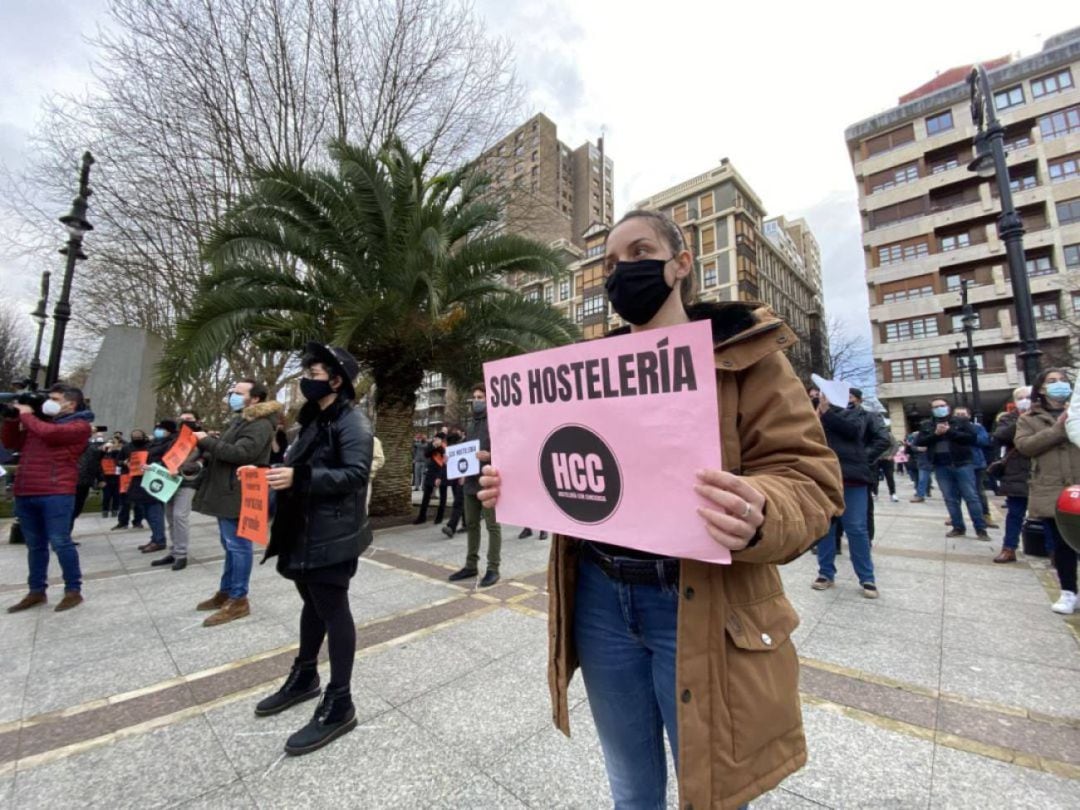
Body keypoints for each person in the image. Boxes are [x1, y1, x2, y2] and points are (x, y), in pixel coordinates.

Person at [477, 209, 843, 808]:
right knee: (629, 780)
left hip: (698, 600)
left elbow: (809, 478)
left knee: (713, 788)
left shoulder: (747, 357)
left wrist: (761, 510)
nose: (623, 271)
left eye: (639, 251)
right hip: (599, 600)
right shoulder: (586, 372)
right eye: (610, 264)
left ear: (680, 264)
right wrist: (510, 482)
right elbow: (566, 467)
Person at [256, 343, 373, 755]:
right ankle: (305, 675)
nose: (307, 376)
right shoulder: (313, 420)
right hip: (303, 531)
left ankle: (340, 702)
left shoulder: (352, 421)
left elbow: (355, 474)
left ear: (337, 380)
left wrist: (300, 477)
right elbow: (297, 465)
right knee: (312, 602)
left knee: (333, 607)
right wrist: (267, 472)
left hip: (333, 536)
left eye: (316, 371)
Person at [192, 379, 282, 627]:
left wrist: (206, 441)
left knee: (238, 545)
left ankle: (239, 598)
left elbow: (241, 453)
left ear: (255, 399)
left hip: (240, 491)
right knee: (230, 544)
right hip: (228, 491)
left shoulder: (260, 423)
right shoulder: (242, 420)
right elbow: (229, 448)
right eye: (232, 391)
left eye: (238, 393)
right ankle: (227, 591)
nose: (231, 395)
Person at [3, 385, 95, 612]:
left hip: (56, 491)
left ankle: (73, 590)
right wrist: (12, 419)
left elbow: (50, 435)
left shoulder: (79, 426)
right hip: (27, 491)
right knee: (35, 546)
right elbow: (11, 442)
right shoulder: (40, 423)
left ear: (70, 404)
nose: (48, 402)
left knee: (60, 542)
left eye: (54, 398)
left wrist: (26, 414)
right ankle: (36, 591)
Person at [809, 385, 889, 597]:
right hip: (825, 478)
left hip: (852, 478)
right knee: (825, 528)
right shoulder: (817, 415)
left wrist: (827, 413)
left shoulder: (859, 415)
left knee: (856, 528)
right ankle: (825, 573)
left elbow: (853, 430)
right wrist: (817, 415)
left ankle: (867, 578)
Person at [1014, 368, 1079, 615]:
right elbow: (1025, 446)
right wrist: (1058, 429)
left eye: (1062, 381)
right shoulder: (1029, 418)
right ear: (1041, 388)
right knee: (1062, 543)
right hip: (1051, 486)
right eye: (1052, 381)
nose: (1058, 385)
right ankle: (1068, 591)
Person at [450, 384, 504, 587]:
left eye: (481, 397)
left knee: (492, 526)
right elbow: (465, 453)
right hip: (470, 482)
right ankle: (471, 565)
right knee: (471, 524)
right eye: (474, 397)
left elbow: (507, 452)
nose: (476, 401)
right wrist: (460, 471)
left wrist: (491, 456)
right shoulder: (471, 424)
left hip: (488, 482)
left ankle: (493, 568)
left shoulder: (496, 423)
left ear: (489, 399)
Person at [914, 399, 990, 540]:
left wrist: (949, 432)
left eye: (942, 406)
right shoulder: (927, 425)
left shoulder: (960, 421)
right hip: (940, 465)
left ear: (948, 407)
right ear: (931, 410)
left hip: (962, 463)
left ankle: (980, 529)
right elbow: (919, 442)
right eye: (936, 407)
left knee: (971, 497)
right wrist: (935, 434)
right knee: (950, 498)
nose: (939, 409)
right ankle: (958, 527)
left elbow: (971, 438)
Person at [153, 409, 203, 571]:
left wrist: (181, 469)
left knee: (179, 516)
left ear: (197, 421)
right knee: (170, 517)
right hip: (169, 482)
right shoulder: (173, 439)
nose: (184, 422)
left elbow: (203, 462)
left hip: (188, 482)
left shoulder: (203, 439)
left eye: (189, 419)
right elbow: (163, 457)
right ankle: (174, 551)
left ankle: (181, 555)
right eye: (182, 419)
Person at [991, 387, 1032, 564]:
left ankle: (1054, 551)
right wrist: (1024, 418)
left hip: (1045, 470)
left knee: (1049, 515)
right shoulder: (1009, 418)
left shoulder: (1048, 416)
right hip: (1017, 470)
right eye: (1020, 398)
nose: (1025, 400)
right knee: (1015, 512)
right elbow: (1001, 435)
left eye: (1028, 397)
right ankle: (1009, 548)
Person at [131, 421, 177, 555]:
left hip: (157, 479)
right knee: (146, 511)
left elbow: (167, 460)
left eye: (161, 428)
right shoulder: (155, 442)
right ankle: (155, 538)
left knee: (154, 512)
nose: (158, 430)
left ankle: (159, 540)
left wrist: (154, 466)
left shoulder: (170, 443)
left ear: (168, 430)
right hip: (146, 478)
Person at [954, 406, 998, 528]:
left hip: (976, 463)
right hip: (958, 463)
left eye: (962, 414)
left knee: (978, 491)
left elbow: (984, 440)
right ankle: (955, 517)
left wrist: (968, 437)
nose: (960, 417)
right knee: (957, 492)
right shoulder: (952, 428)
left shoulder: (977, 428)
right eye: (957, 414)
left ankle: (985, 516)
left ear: (968, 416)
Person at [112, 430, 149, 531]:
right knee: (124, 501)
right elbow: (117, 461)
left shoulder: (148, 447)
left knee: (139, 501)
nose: (137, 438)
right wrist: (124, 462)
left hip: (142, 476)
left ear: (143, 436)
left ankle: (137, 522)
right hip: (127, 476)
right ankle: (122, 522)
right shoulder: (126, 447)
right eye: (134, 437)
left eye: (139, 437)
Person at [413, 431, 448, 524]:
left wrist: (439, 446)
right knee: (426, 494)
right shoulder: (432, 445)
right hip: (432, 470)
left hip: (442, 471)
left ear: (442, 440)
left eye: (437, 438)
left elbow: (444, 454)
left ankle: (439, 517)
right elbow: (427, 454)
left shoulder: (445, 447)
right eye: (435, 438)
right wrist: (434, 446)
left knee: (443, 495)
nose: (435, 440)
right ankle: (422, 516)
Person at [441, 426, 467, 538]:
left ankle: (451, 526)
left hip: (463, 479)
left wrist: (464, 475)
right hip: (455, 479)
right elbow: (449, 465)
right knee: (462, 502)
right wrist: (446, 462)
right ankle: (466, 524)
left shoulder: (464, 447)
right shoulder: (451, 449)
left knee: (458, 502)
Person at [99, 436, 125, 517]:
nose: (110, 446)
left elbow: (120, 459)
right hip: (105, 478)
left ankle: (115, 510)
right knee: (106, 496)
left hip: (116, 477)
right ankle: (105, 511)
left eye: (112, 444)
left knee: (116, 495)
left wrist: (115, 449)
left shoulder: (117, 453)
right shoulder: (101, 454)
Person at [367, 435, 384, 511]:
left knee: (361, 510)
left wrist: (363, 469)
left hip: (363, 481)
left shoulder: (373, 440)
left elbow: (379, 460)